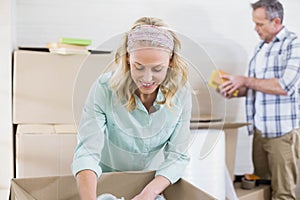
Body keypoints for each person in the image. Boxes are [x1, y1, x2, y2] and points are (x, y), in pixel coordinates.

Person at [72, 17, 192, 200]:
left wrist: (148, 194)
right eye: (139, 67)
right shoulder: (105, 89)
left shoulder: (181, 93)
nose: (147, 78)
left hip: (150, 183)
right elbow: (87, 152)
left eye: (157, 69)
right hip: (103, 182)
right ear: (128, 59)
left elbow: (177, 155)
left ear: (171, 61)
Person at [220, 0, 300, 199]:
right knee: (262, 189)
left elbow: (284, 86)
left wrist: (244, 80)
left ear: (276, 21)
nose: (255, 28)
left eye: (260, 24)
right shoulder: (259, 48)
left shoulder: (294, 45)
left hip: (282, 132)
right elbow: (256, 87)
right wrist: (236, 89)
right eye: (254, 23)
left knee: (283, 193)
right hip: (259, 132)